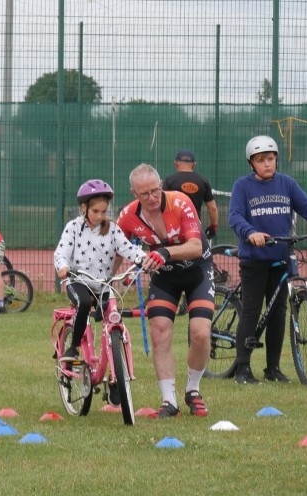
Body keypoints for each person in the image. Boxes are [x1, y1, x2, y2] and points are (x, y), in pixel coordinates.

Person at [229, 135, 307, 385]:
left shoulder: (287, 184)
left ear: (276, 159)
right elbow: (235, 216)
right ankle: (243, 368)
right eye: (260, 160)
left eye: (270, 158)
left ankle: (273, 369)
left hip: (281, 257)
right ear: (251, 164)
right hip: (255, 259)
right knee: (251, 311)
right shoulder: (242, 186)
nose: (267, 164)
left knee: (278, 312)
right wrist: (251, 233)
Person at [116, 163, 215, 418]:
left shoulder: (180, 202)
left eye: (155, 191)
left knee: (201, 333)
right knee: (159, 332)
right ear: (133, 193)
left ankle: (193, 390)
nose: (151, 198)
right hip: (165, 278)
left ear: (161, 185)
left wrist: (164, 252)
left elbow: (194, 245)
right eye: (144, 194)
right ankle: (169, 401)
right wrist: (110, 279)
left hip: (197, 271)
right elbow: (117, 249)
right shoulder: (127, 216)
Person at [54, 180, 146, 407]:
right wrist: (63, 267)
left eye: (104, 211)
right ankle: (73, 347)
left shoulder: (112, 229)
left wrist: (143, 258)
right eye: (95, 211)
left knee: (113, 316)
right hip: (79, 281)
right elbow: (62, 251)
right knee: (84, 303)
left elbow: (128, 248)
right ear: (83, 208)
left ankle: (116, 379)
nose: (100, 215)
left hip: (104, 284)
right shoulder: (73, 228)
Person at [163, 149, 219, 240]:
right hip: (194, 226)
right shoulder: (202, 181)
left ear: (176, 163)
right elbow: (212, 208)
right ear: (194, 164)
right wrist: (213, 226)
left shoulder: (169, 180)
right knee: (195, 250)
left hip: (173, 229)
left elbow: (161, 204)